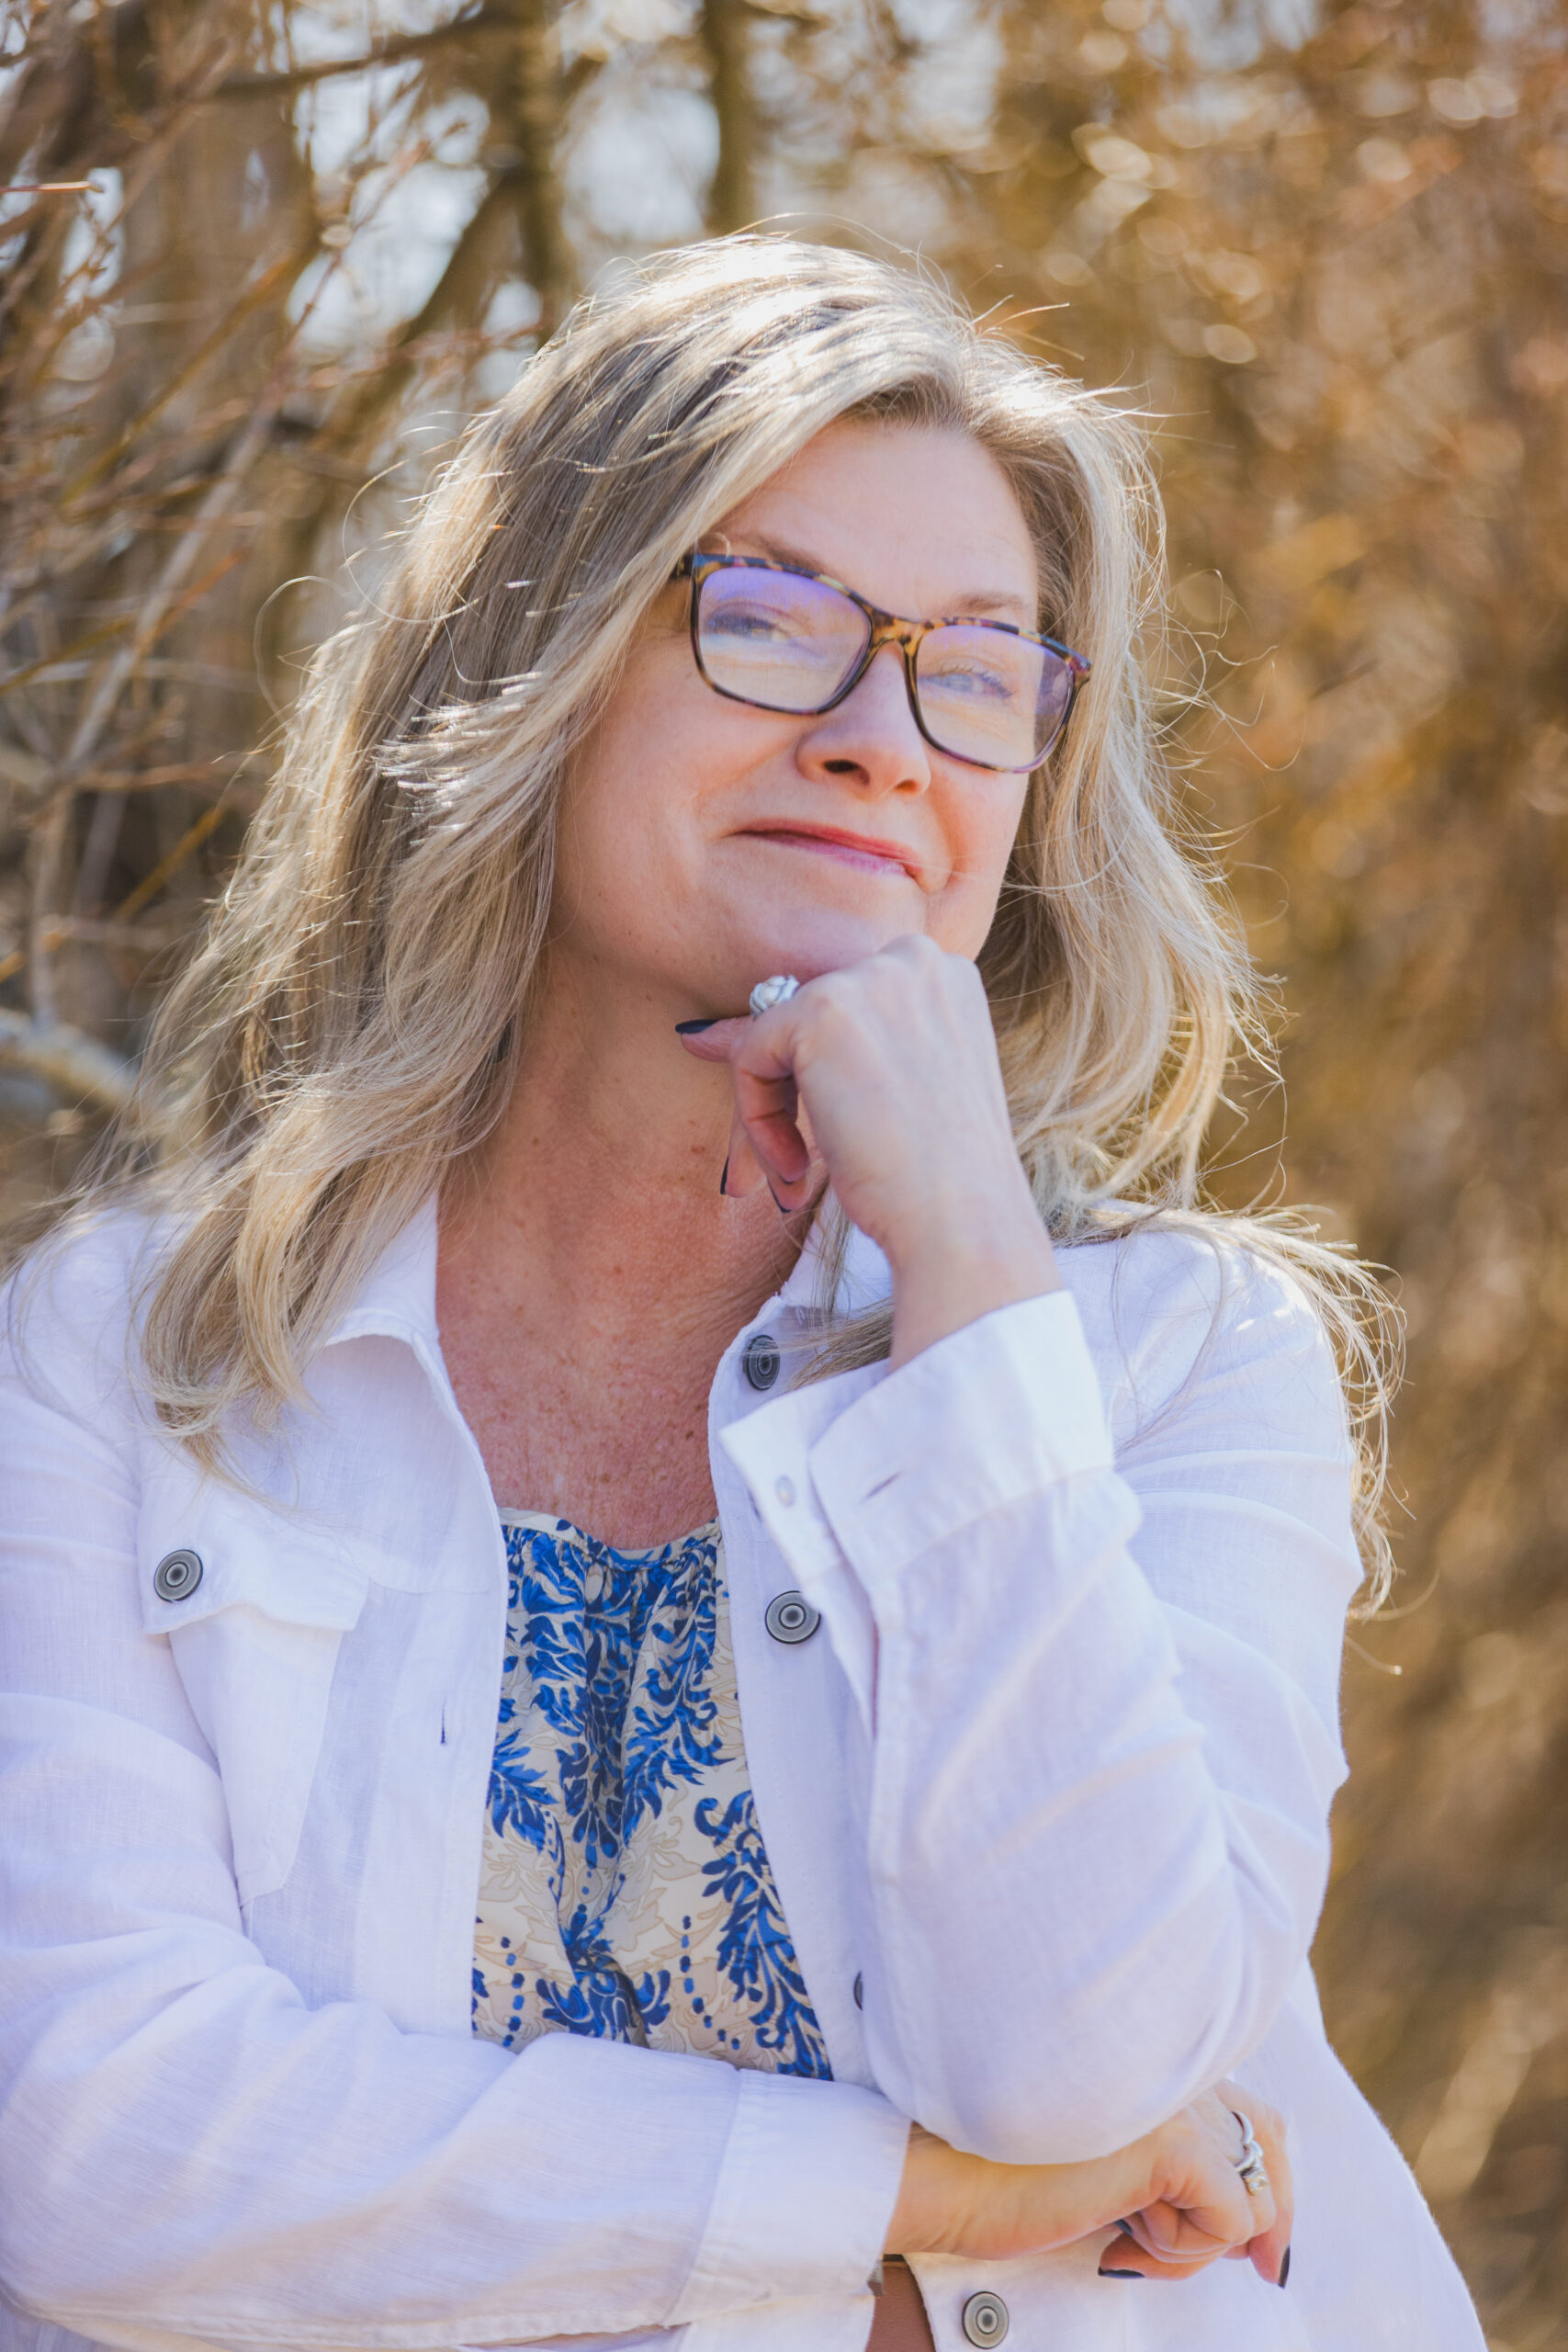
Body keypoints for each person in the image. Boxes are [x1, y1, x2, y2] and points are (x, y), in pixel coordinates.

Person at [0, 237, 1482, 2352]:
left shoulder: (1178, 1365)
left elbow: (1088, 2060)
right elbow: (92, 2142)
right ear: (539, 656)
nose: (887, 736)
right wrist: (923, 2206)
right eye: (773, 621)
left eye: (979, 668)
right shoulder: (137, 1354)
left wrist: (970, 1261)